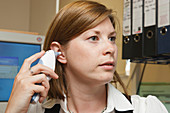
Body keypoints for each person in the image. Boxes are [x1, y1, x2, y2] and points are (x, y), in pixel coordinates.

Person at [5, 1, 168, 113]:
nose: (110, 48)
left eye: (111, 38)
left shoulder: (147, 109)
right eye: (94, 38)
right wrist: (13, 110)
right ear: (60, 53)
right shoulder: (35, 110)